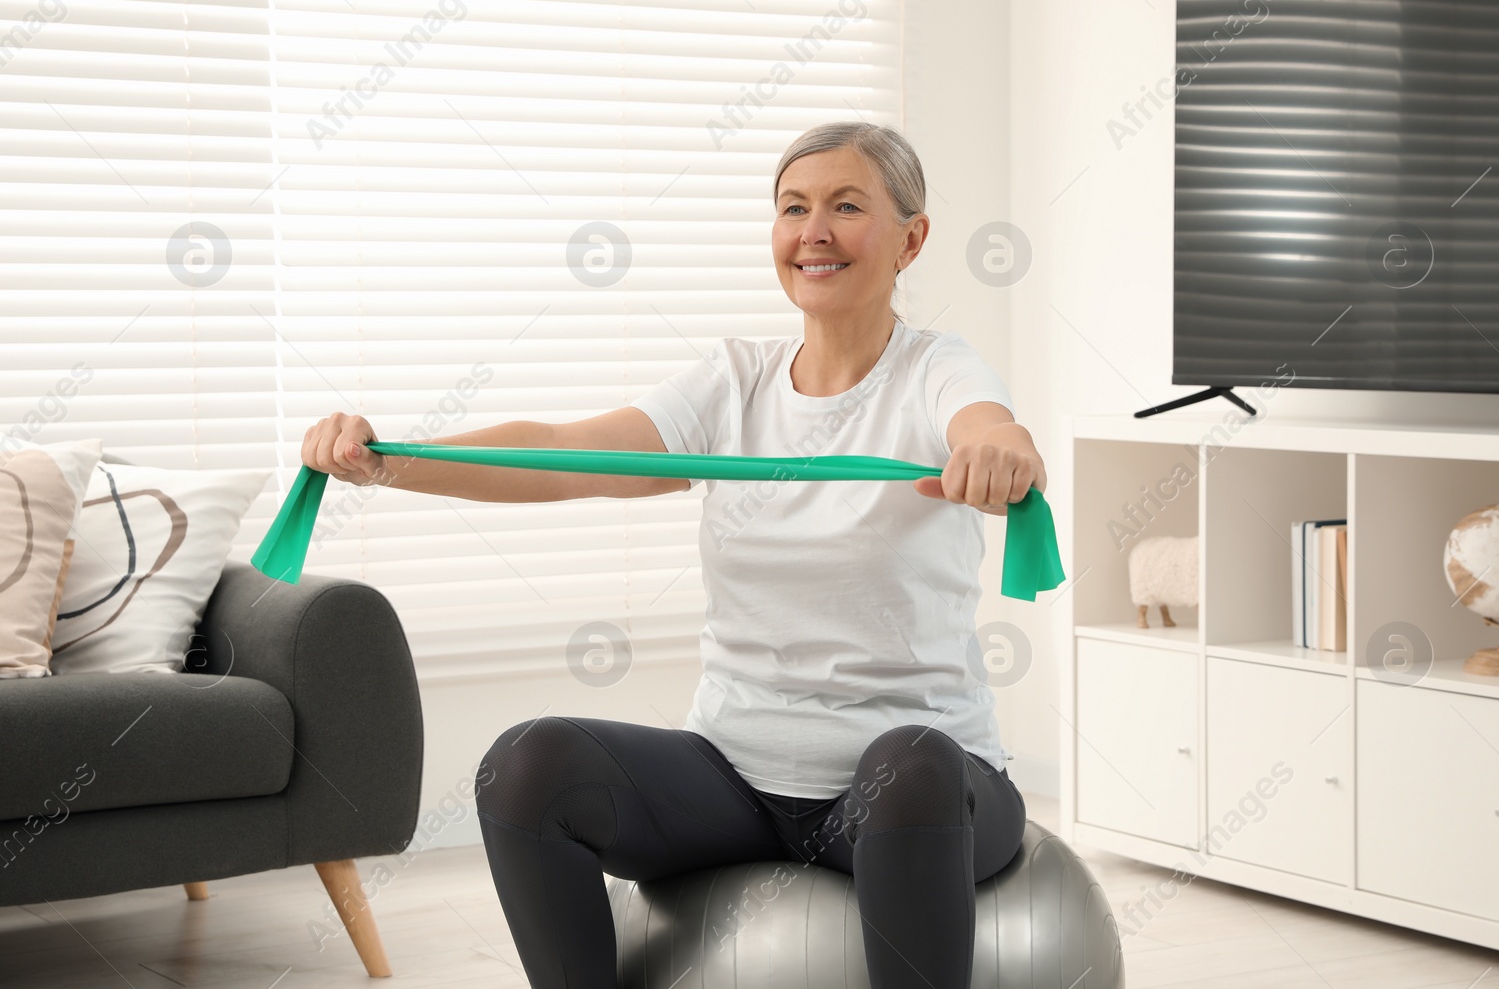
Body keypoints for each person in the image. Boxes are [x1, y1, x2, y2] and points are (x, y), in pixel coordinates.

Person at [301, 121, 1047, 989]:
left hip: (910, 794)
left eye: (847, 207)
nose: (814, 231)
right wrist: (390, 459)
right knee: (527, 764)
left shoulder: (936, 371)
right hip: (736, 777)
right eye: (792, 208)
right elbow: (564, 453)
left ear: (911, 239)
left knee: (909, 759)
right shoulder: (735, 381)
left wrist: (1002, 450)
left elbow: (988, 424)